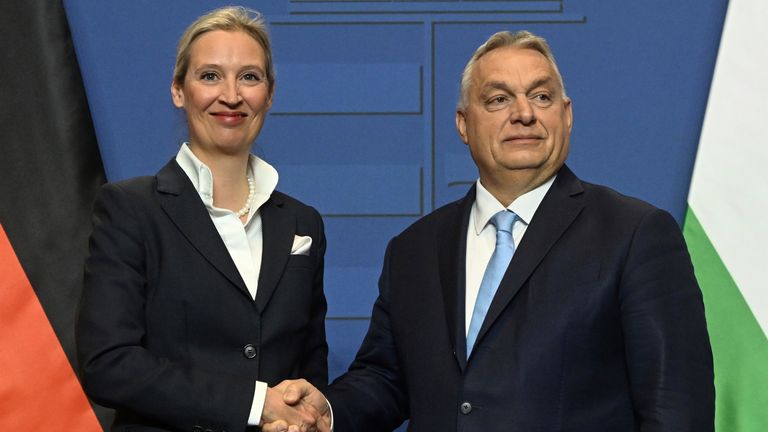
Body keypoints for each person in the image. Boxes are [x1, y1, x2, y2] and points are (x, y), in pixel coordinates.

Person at [265, 30, 715, 431]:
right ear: (464, 124)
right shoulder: (414, 250)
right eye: (498, 99)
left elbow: (676, 409)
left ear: (567, 113)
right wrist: (327, 411)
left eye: (541, 96)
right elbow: (387, 378)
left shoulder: (634, 234)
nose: (524, 113)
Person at [76, 7, 328, 432]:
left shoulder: (304, 223)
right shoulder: (130, 209)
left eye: (249, 77)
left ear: (270, 93)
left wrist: (305, 409)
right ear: (179, 90)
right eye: (210, 76)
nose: (231, 95)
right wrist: (252, 404)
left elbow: (309, 369)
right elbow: (109, 363)